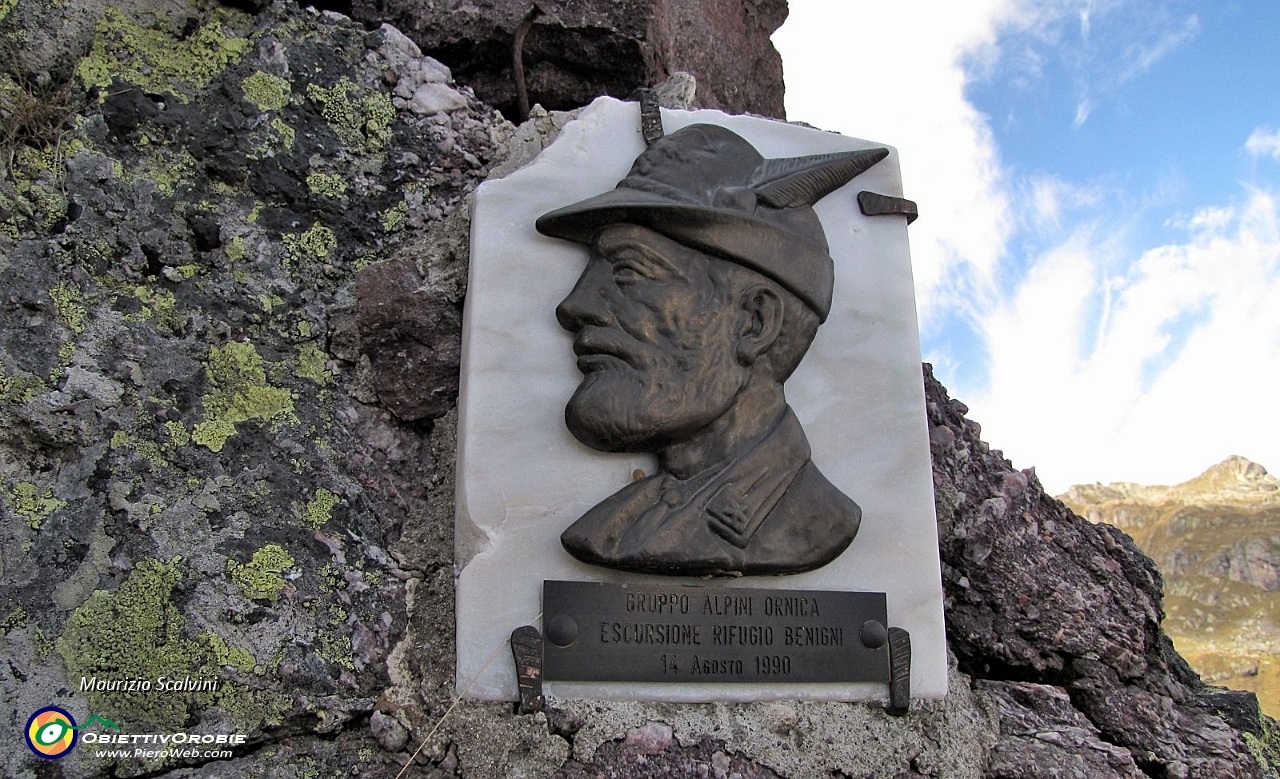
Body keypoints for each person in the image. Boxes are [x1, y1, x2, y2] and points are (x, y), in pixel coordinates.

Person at [536, 121, 887, 576]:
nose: (574, 307)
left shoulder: (815, 520)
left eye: (629, 273)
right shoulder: (613, 527)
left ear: (755, 323)